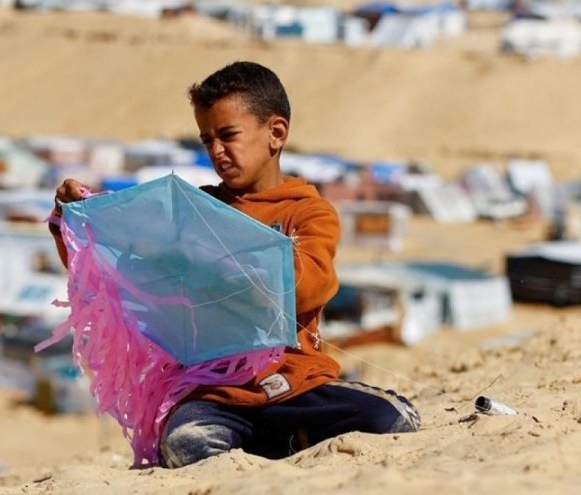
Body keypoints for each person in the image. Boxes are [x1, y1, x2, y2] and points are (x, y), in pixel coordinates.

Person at [50, 61, 420, 468]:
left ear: (275, 133)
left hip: (297, 383)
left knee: (390, 419)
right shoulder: (193, 210)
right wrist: (80, 219)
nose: (216, 151)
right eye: (207, 139)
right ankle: (274, 444)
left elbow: (304, 286)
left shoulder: (309, 213)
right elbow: (116, 273)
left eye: (228, 135)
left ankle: (287, 437)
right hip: (215, 393)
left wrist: (211, 258)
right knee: (188, 443)